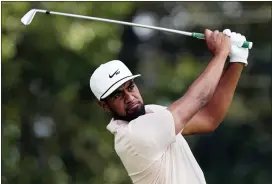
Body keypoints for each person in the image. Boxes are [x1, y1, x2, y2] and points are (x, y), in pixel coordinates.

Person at [89, 29, 249, 184]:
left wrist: (237, 60)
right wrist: (221, 54)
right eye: (117, 95)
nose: (129, 98)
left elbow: (208, 119)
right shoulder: (133, 136)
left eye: (130, 87)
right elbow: (197, 98)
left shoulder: (154, 113)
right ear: (104, 105)